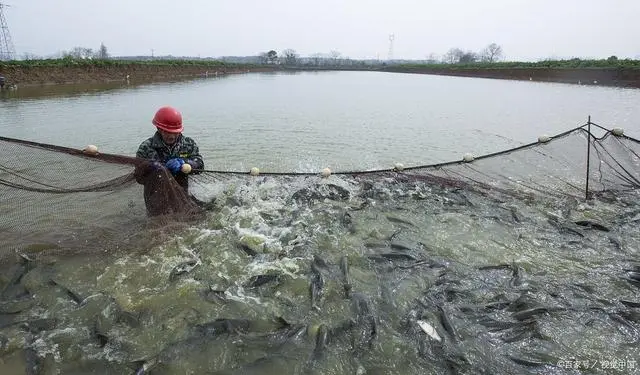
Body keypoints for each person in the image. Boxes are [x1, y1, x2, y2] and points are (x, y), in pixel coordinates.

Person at [134, 106, 205, 216]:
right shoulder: (146, 147)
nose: (171, 136)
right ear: (158, 129)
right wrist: (153, 168)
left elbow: (200, 165)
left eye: (174, 132)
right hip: (155, 200)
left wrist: (186, 163)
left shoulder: (188, 143)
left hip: (181, 195)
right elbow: (138, 177)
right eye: (167, 132)